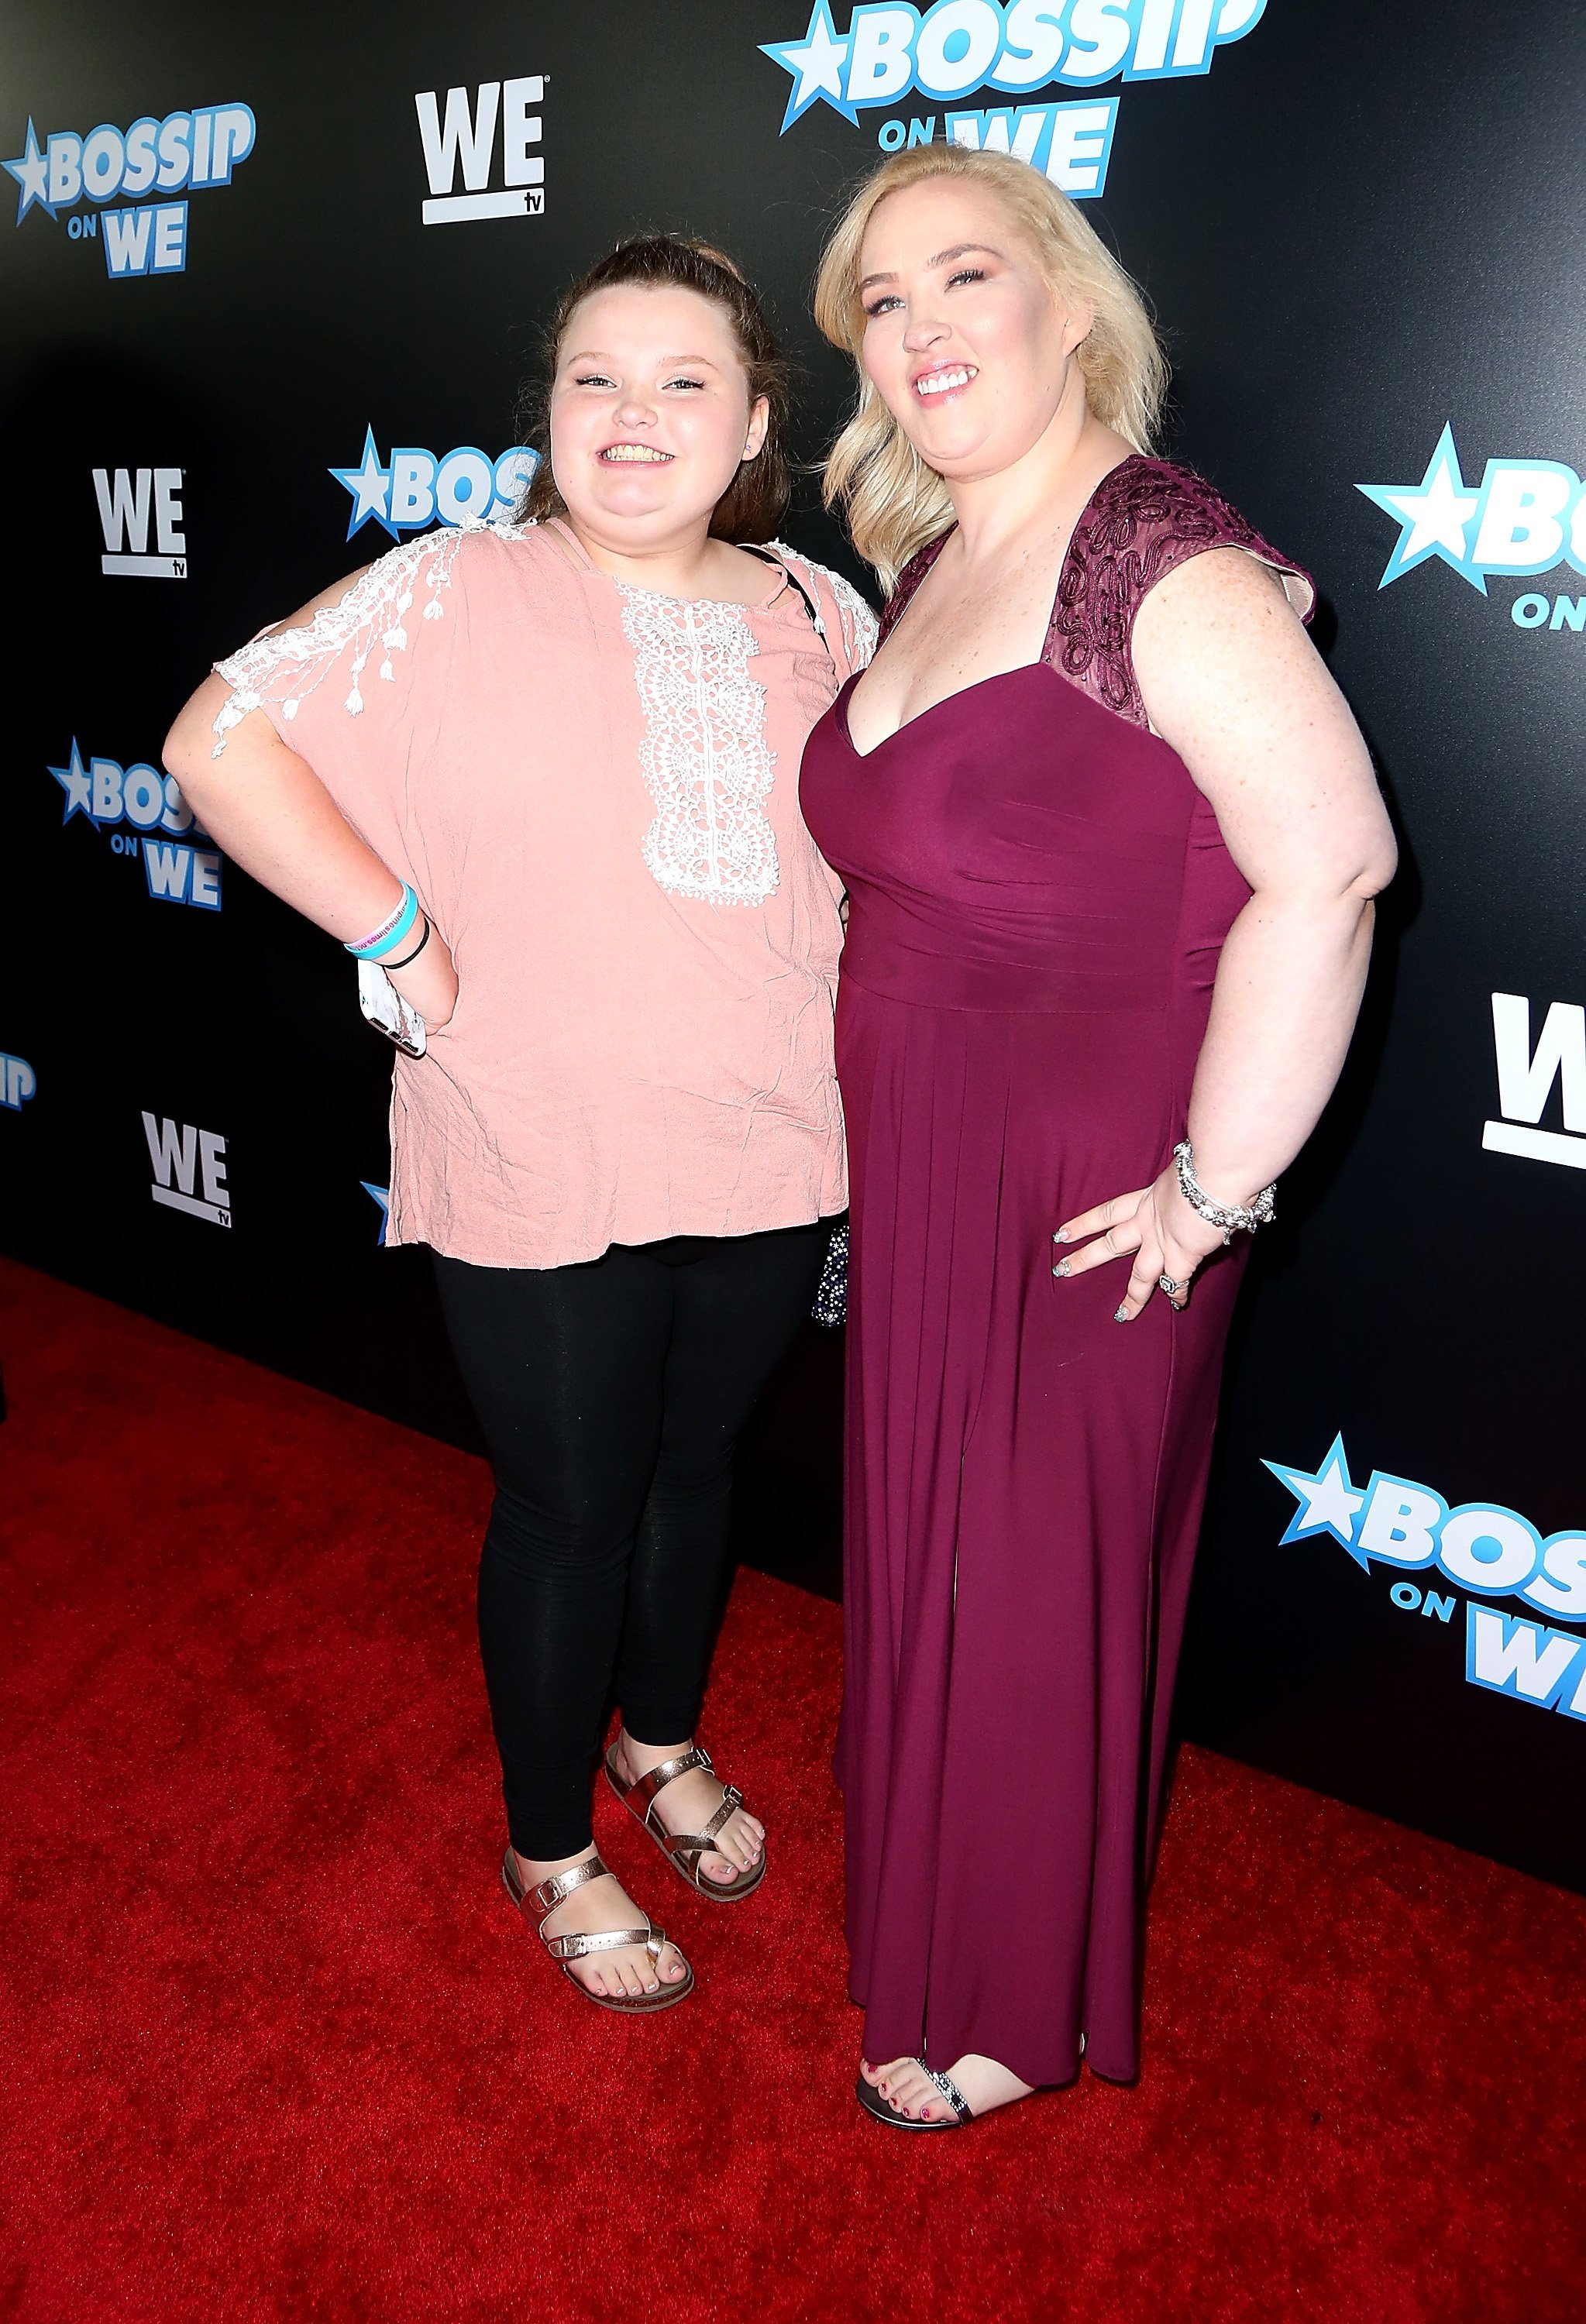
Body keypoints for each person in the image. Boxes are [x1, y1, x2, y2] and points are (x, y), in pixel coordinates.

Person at [165, 236, 876, 2016]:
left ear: (756, 420)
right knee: (568, 1504)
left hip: (777, 1135)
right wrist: (397, 935)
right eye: (593, 382)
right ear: (548, 412)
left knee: (696, 1471)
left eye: (682, 383)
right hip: (537, 1133)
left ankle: (661, 1739)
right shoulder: (454, 586)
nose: (632, 419)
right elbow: (216, 742)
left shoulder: (820, 608)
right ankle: (550, 1840)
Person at [797, 147, 1397, 2125]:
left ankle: (1000, 1996)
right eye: (882, 302)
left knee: (1036, 1578)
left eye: (965, 277)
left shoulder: (1154, 547)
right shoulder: (928, 557)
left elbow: (1331, 868)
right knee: (943, 1557)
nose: (922, 327)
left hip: (1086, 1189)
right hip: (921, 1163)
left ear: (1070, 303)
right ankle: (936, 1906)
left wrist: (1215, 1191)